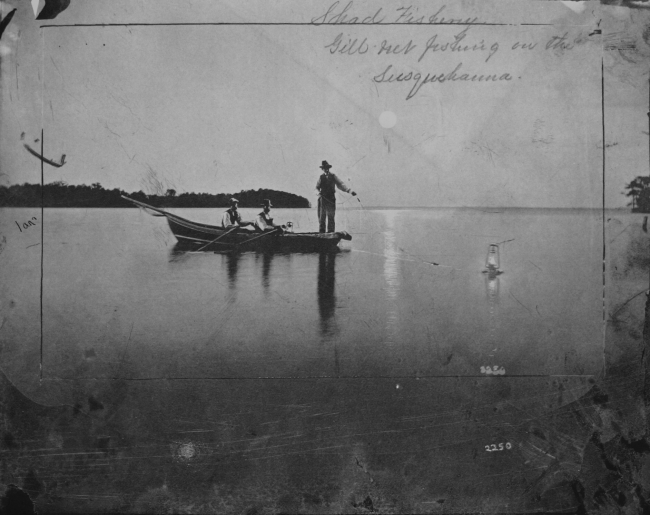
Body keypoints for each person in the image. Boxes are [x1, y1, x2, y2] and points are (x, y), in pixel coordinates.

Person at [316, 160, 356, 233]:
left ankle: (331, 232)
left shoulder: (333, 176)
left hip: (331, 198)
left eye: (327, 167)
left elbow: (340, 184)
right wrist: (318, 193)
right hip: (323, 199)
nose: (326, 169)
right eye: (325, 168)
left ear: (329, 168)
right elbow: (316, 188)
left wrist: (350, 191)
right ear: (322, 169)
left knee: (331, 216)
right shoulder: (321, 177)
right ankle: (321, 233)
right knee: (322, 216)